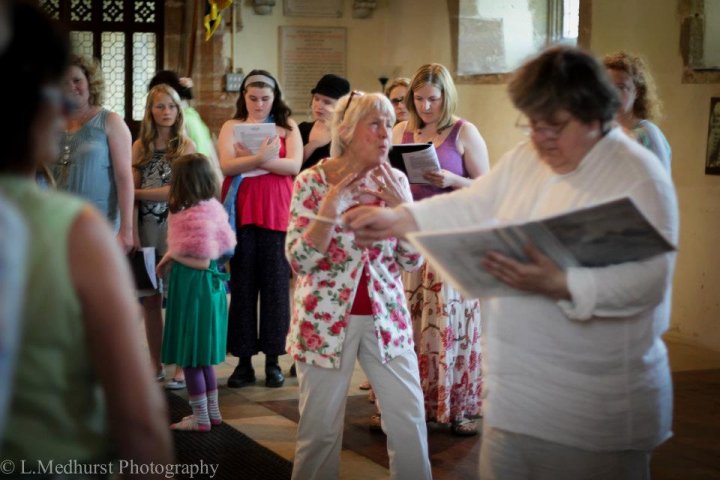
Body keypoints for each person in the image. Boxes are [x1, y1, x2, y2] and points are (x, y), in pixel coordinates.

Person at [346, 45, 678, 480]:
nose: (541, 137)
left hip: (597, 405)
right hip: (517, 396)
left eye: (554, 125)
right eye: (533, 123)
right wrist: (401, 219)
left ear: (596, 115)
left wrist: (563, 284)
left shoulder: (635, 174)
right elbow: (477, 202)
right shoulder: (531, 155)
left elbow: (648, 281)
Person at [0, 1, 172, 468]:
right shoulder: (70, 234)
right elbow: (138, 421)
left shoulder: (107, 124)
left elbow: (124, 177)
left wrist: (126, 228)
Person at [286, 91, 432, 480]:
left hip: (387, 317)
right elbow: (299, 259)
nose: (386, 133)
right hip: (323, 321)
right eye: (375, 124)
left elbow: (412, 260)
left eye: (389, 124)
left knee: (408, 420)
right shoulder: (312, 181)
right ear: (347, 130)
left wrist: (405, 211)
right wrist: (330, 208)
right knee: (319, 431)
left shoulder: (396, 181)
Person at [393, 63, 490, 435]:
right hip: (410, 234)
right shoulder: (402, 130)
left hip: (450, 237)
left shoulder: (465, 132)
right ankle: (405, 405)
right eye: (419, 99)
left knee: (449, 325)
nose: (426, 106)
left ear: (446, 97)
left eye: (433, 99)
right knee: (409, 325)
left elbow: (487, 187)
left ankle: (458, 407)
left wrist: (452, 179)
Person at [218, 69, 302, 389]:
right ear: (244, 97)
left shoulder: (288, 126)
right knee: (242, 288)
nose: (259, 104)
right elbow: (227, 164)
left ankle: (272, 360)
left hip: (276, 211)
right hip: (242, 211)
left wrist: (254, 159)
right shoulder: (231, 125)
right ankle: (243, 362)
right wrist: (263, 159)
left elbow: (293, 166)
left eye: (265, 98)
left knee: (276, 289)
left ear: (274, 97)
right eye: (252, 98)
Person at [157, 153, 236, 431]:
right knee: (203, 359)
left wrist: (173, 256)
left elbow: (201, 261)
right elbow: (223, 251)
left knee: (191, 358)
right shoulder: (211, 208)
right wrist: (172, 255)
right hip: (208, 289)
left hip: (195, 289)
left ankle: (200, 418)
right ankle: (212, 413)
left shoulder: (190, 215)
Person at [133, 83, 195, 383]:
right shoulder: (140, 147)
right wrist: (132, 231)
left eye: (171, 106)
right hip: (145, 232)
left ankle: (181, 365)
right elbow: (130, 195)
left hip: (176, 231)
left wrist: (137, 193)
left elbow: (178, 192)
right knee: (150, 300)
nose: (166, 111)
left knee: (178, 299)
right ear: (151, 110)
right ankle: (155, 363)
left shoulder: (185, 146)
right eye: (160, 106)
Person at [53, 54, 134, 251]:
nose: (71, 87)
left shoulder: (111, 121)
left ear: (91, 83)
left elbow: (124, 178)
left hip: (101, 227)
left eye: (77, 80)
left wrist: (126, 230)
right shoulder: (53, 124)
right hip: (58, 226)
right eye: (64, 82)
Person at [603, 51, 672, 171]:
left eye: (621, 87)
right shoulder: (606, 129)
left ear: (637, 91)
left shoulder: (648, 133)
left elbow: (660, 177)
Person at [148, 70, 221, 178]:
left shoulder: (181, 120)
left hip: (196, 176)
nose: (166, 112)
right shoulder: (191, 114)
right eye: (159, 106)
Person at [298, 73, 351, 172]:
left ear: (341, 106)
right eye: (316, 99)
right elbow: (291, 167)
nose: (319, 105)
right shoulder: (301, 129)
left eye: (327, 102)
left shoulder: (347, 135)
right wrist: (314, 144)